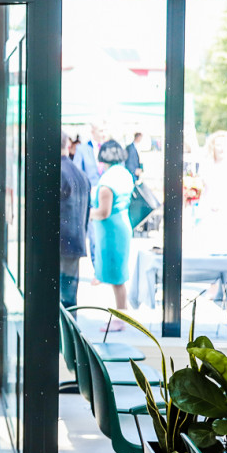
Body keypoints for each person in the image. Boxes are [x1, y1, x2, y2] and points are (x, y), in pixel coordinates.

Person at [90, 140, 135, 331]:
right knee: (119, 275)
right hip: (122, 224)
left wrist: (85, 213)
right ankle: (121, 314)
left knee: (117, 279)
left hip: (111, 232)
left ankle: (120, 318)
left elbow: (103, 212)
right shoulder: (124, 173)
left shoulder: (107, 181)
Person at [60, 131, 91, 316]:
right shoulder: (80, 174)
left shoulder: (58, 172)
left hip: (60, 242)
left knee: (62, 298)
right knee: (70, 297)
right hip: (76, 241)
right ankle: (69, 339)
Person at [73, 120, 108, 279]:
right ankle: (98, 272)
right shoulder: (82, 149)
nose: (103, 134)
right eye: (100, 130)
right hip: (91, 199)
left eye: (104, 130)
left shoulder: (109, 148)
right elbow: (77, 173)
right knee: (94, 236)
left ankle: (104, 269)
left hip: (108, 198)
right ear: (92, 131)